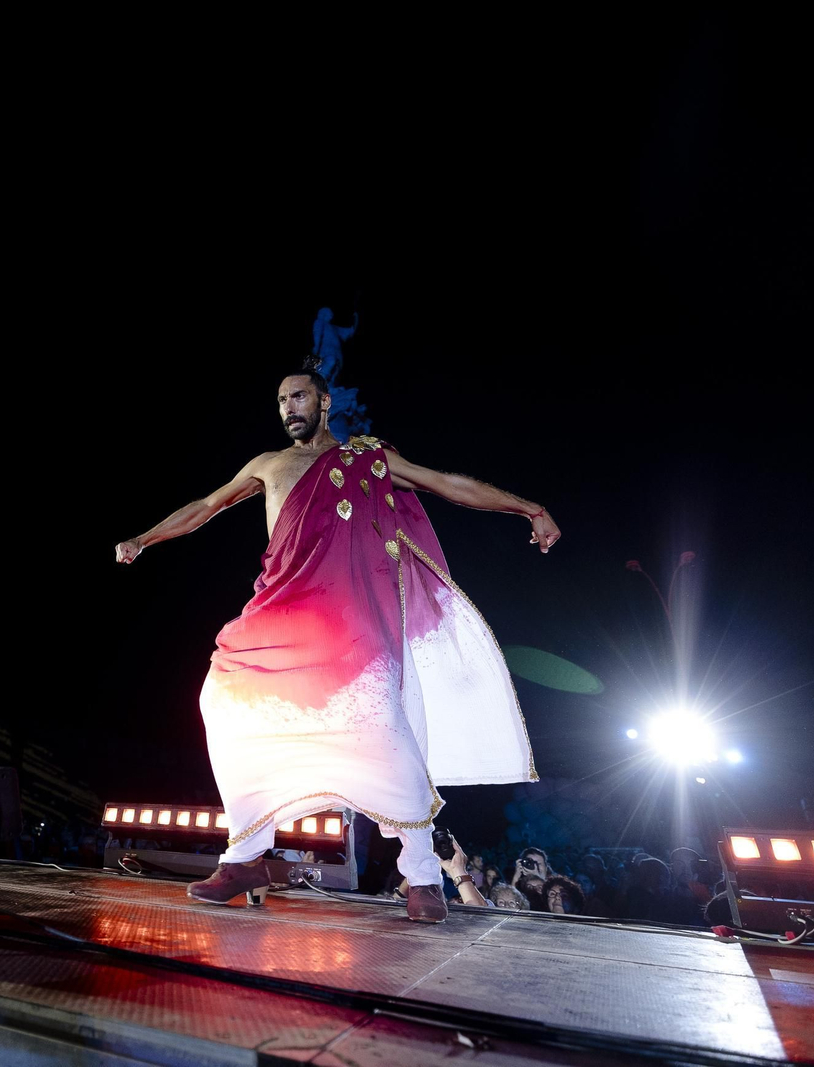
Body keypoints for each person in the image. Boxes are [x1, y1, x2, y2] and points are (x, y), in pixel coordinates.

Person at [115, 360, 559, 923]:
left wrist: (530, 507)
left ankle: (422, 875)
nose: (288, 409)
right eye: (280, 401)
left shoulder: (366, 460)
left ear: (324, 404)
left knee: (380, 727)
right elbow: (205, 506)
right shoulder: (268, 465)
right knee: (222, 702)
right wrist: (144, 539)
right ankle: (247, 857)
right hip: (279, 609)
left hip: (350, 621)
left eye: (298, 397)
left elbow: (446, 484)